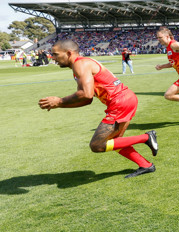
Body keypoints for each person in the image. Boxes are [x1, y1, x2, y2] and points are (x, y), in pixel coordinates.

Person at [38, 39, 157, 178]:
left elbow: (86, 94)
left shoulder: (80, 64)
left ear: (69, 53)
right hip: (125, 99)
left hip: (120, 102)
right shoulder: (81, 64)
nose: (53, 58)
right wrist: (60, 105)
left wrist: (59, 100)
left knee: (97, 145)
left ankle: (146, 137)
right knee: (115, 140)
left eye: (55, 54)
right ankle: (146, 165)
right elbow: (87, 100)